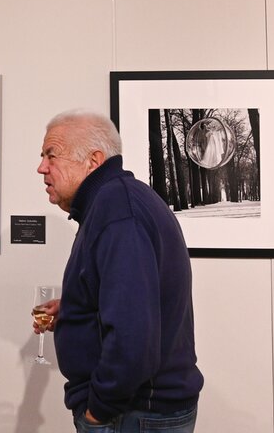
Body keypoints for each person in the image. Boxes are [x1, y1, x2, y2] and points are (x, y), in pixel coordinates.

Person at [34, 110, 203, 433]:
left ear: (93, 161)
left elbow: (133, 335)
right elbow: (131, 300)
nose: (42, 167)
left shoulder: (117, 211)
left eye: (51, 155)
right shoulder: (115, 202)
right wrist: (74, 310)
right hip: (138, 410)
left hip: (132, 414)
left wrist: (98, 410)